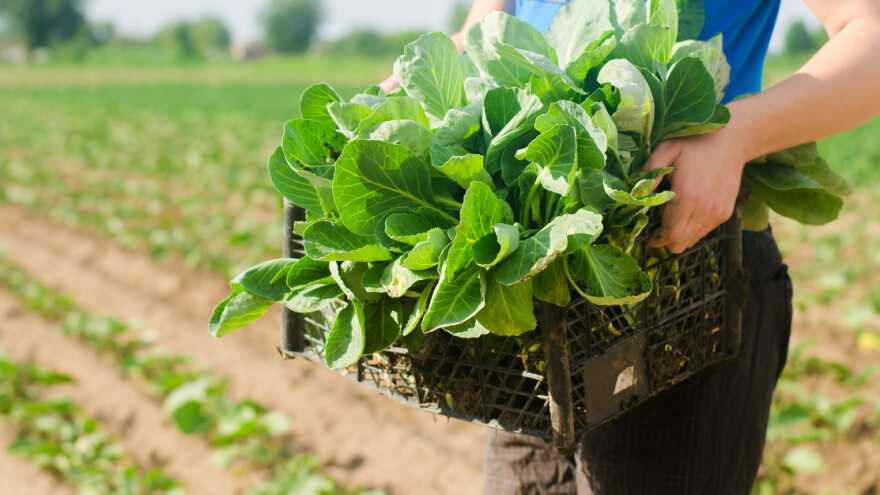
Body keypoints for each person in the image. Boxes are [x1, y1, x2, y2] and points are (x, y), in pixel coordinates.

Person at [382, 0, 880, 493]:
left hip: (686, 290)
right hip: (532, 303)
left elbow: (870, 31)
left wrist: (740, 133)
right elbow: (484, 31)